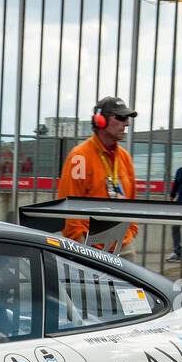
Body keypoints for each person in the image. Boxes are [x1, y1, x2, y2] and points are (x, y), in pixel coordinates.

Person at [54, 96, 139, 255]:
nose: (126, 123)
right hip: (91, 250)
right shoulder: (79, 157)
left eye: (127, 118)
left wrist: (131, 230)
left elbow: (132, 201)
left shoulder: (125, 158)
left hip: (124, 246)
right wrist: (81, 248)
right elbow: (68, 208)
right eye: (120, 117)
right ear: (100, 121)